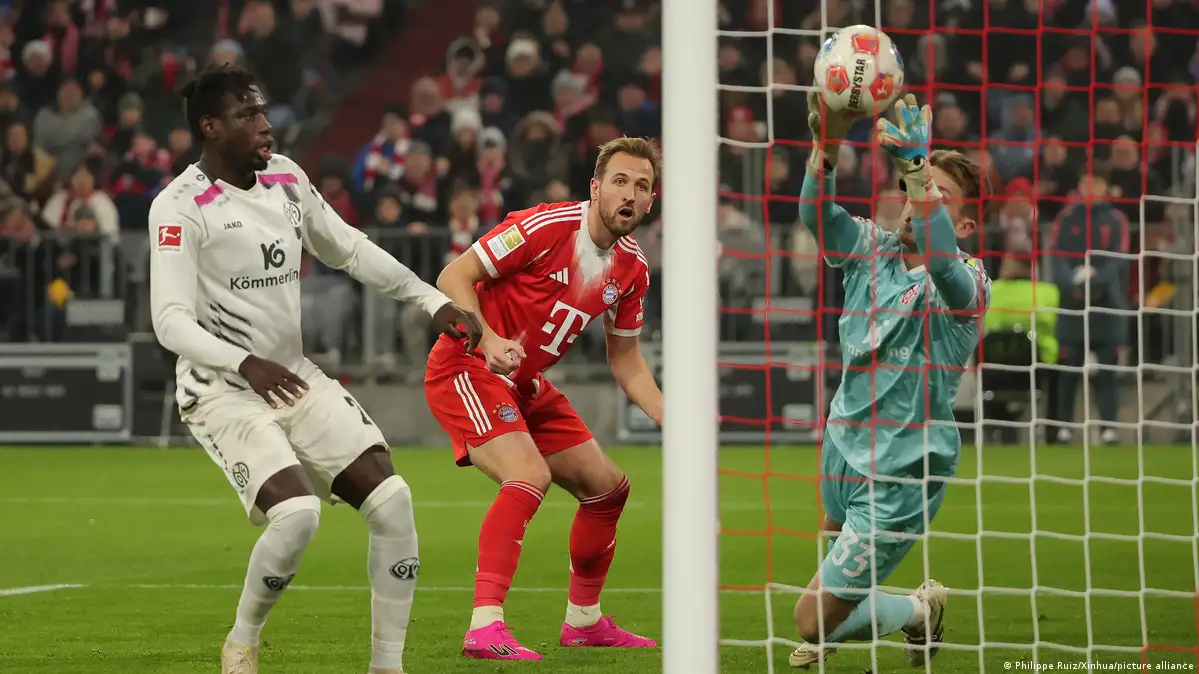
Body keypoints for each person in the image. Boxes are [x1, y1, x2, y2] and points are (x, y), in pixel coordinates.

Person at [148, 63, 483, 674]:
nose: (265, 124)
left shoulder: (286, 178)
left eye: (263, 110)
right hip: (223, 391)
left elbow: (348, 248)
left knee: (393, 502)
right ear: (211, 126)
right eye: (248, 115)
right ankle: (242, 643)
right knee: (298, 515)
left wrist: (431, 300)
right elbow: (169, 321)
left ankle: (387, 666)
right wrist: (244, 362)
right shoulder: (178, 207)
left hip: (292, 376)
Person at [425, 137, 664, 661]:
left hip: (525, 382)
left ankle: (584, 622)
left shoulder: (632, 269)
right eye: (620, 181)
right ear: (596, 188)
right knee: (527, 475)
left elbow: (626, 360)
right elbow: (452, 276)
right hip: (466, 365)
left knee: (608, 490)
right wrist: (487, 340)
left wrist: (673, 416)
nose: (630, 194)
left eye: (642, 186)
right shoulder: (546, 226)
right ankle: (484, 626)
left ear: (651, 200)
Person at [789, 94, 992, 668]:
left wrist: (917, 167)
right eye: (911, 189)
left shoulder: (969, 280)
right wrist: (826, 147)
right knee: (835, 582)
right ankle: (859, 614)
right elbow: (816, 217)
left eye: (935, 195)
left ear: (965, 225)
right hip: (842, 440)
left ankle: (917, 611)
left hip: (903, 466)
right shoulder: (871, 250)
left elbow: (943, 262)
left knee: (811, 620)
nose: (913, 202)